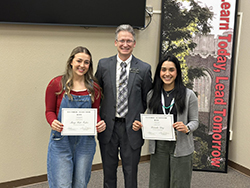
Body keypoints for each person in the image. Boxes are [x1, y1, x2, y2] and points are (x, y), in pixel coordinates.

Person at [95, 24, 152, 188]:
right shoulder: (104, 65)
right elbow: (97, 94)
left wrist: (139, 118)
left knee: (131, 173)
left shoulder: (144, 68)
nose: (125, 44)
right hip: (108, 128)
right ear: (115, 42)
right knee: (108, 172)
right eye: (122, 41)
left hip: (132, 129)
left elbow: (147, 98)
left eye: (129, 41)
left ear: (134, 43)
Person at [133, 54, 199, 188]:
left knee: (179, 183)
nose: (167, 74)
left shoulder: (188, 95)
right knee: (157, 183)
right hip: (159, 147)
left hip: (180, 145)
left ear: (177, 72)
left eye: (171, 70)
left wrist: (187, 128)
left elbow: (195, 121)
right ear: (159, 72)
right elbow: (151, 119)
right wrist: (141, 125)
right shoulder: (152, 95)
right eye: (163, 70)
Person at [45, 46, 106, 188]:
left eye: (86, 62)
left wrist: (99, 123)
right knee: (62, 183)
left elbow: (95, 112)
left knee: (80, 183)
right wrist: (52, 121)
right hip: (61, 141)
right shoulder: (56, 84)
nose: (82, 65)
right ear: (71, 62)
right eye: (79, 61)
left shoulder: (94, 88)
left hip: (85, 143)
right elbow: (49, 111)